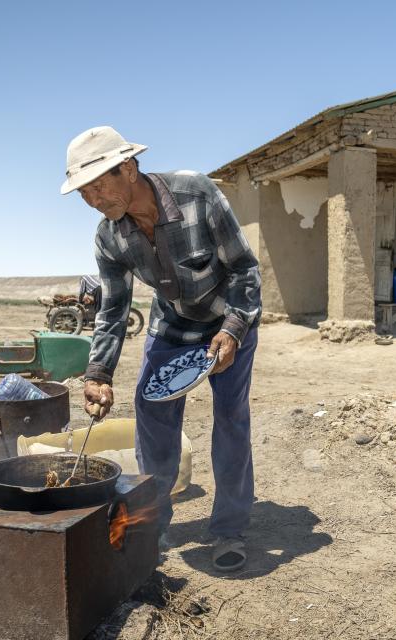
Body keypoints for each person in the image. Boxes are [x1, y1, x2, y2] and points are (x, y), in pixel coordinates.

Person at [61, 126, 261, 572]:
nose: (93, 199)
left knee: (230, 420)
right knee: (151, 419)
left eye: (99, 185)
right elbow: (113, 310)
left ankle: (228, 528)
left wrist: (231, 329)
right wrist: (97, 374)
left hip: (230, 321)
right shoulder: (109, 237)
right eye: (83, 192)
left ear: (128, 168)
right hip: (171, 327)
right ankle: (153, 526)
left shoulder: (198, 193)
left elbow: (246, 270)